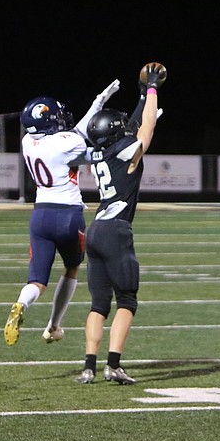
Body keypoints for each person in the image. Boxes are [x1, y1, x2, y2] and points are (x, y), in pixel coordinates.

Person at [5, 80, 120, 346]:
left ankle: (22, 303)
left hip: (40, 215)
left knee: (37, 281)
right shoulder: (64, 143)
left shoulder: (27, 141)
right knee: (71, 269)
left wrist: (98, 102)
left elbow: (73, 134)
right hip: (68, 216)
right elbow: (94, 149)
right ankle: (54, 325)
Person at [75, 62, 165, 385]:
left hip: (96, 228)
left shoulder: (101, 152)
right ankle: (113, 364)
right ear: (116, 133)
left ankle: (88, 367)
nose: (127, 128)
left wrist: (141, 98)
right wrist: (152, 87)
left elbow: (134, 125)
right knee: (126, 300)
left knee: (99, 304)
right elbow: (145, 130)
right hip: (115, 231)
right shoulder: (124, 151)